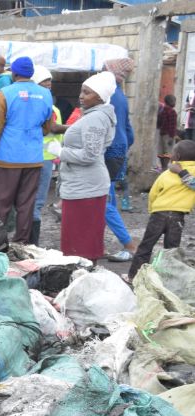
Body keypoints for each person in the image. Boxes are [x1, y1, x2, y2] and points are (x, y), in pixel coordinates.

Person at [0, 56, 54, 245]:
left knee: (0, 204)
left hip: (8, 158)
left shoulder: (5, 93)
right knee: (26, 205)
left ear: (13, 73)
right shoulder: (45, 94)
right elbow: (47, 127)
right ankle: (21, 243)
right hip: (34, 159)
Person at [56, 71, 117, 263]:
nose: (81, 96)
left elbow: (91, 154)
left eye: (87, 92)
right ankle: (83, 277)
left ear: (100, 97)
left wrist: (61, 153)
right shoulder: (91, 115)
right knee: (80, 239)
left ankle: (84, 279)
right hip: (81, 185)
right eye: (82, 91)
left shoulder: (95, 118)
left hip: (86, 187)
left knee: (82, 242)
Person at [125, 139, 195, 281]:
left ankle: (133, 277)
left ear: (177, 157)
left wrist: (152, 210)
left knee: (145, 247)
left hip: (158, 214)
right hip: (177, 217)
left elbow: (153, 194)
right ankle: (168, 281)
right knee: (171, 251)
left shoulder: (167, 173)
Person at [103, 57, 136, 262]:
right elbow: (128, 130)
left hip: (109, 151)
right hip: (118, 150)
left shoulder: (109, 95)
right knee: (109, 200)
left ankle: (129, 245)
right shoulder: (120, 95)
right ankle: (97, 244)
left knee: (104, 202)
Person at [31, 66, 63, 244]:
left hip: (43, 158)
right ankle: (31, 242)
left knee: (32, 202)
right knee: (35, 202)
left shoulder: (53, 109)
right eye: (44, 81)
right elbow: (53, 129)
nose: (49, 84)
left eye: (50, 81)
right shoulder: (49, 108)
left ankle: (28, 240)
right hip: (41, 159)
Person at [157, 95, 178, 172]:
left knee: (161, 152)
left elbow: (158, 123)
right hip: (169, 135)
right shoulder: (172, 112)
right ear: (171, 102)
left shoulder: (162, 111)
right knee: (168, 152)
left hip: (161, 134)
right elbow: (172, 126)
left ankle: (163, 167)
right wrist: (172, 137)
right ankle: (166, 168)